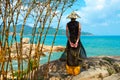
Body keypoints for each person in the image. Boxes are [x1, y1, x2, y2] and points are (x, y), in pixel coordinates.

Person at [65, 11, 87, 75]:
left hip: (70, 40)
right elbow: (79, 32)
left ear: (70, 18)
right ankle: (76, 71)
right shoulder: (79, 23)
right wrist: (77, 41)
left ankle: (70, 71)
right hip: (76, 40)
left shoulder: (67, 24)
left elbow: (67, 34)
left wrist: (70, 41)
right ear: (75, 18)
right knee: (77, 54)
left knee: (70, 55)